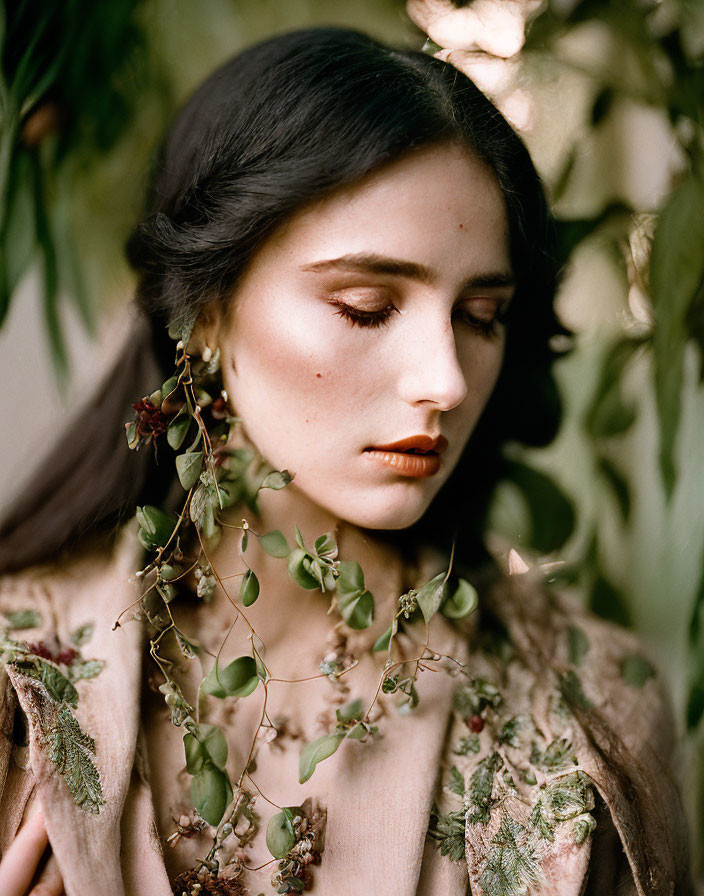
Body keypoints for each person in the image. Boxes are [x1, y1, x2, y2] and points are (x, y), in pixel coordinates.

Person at [0, 25, 692, 896]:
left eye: (482, 317)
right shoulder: (18, 683)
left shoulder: (592, 711)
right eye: (367, 307)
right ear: (206, 313)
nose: (443, 380)